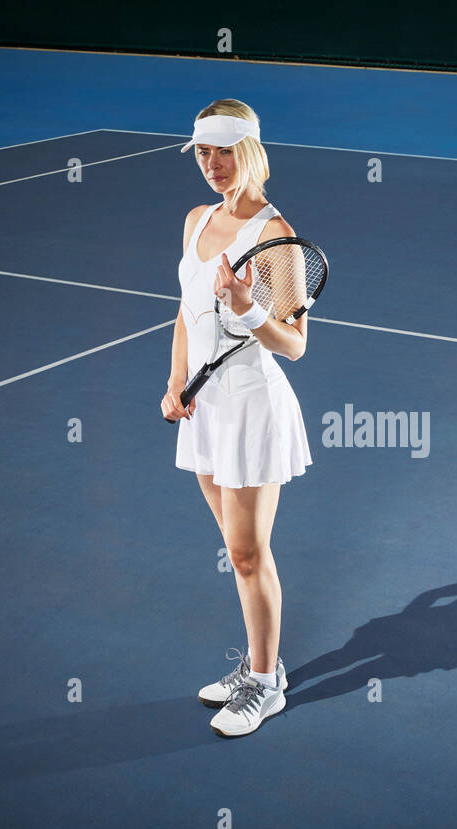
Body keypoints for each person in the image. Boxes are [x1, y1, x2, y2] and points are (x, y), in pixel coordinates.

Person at [161, 99, 311, 737]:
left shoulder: (278, 240)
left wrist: (249, 307)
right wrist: (175, 382)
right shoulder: (196, 220)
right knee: (235, 549)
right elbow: (185, 312)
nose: (212, 165)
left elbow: (295, 343)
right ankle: (256, 666)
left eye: (223, 151)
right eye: (202, 152)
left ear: (249, 151)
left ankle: (267, 682)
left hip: (252, 407)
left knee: (249, 555)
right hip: (205, 409)